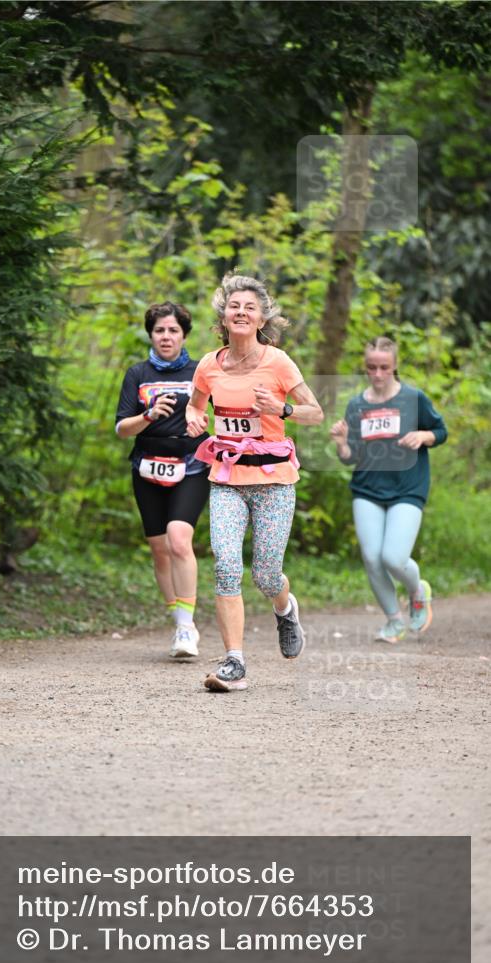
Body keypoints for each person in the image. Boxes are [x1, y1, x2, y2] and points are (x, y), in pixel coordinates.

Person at [185, 273, 324, 692]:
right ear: (223, 316)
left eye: (250, 307)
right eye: (234, 306)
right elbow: (196, 407)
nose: (241, 312)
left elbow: (314, 412)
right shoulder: (209, 364)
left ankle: (285, 610)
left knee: (265, 575)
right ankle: (234, 661)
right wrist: (194, 418)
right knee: (225, 565)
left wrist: (282, 409)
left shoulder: (278, 362)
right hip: (227, 477)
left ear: (262, 317)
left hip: (273, 481)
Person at [330, 336, 447, 643]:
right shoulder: (357, 404)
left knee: (393, 558)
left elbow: (441, 431)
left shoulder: (413, 398)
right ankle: (394, 621)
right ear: (365, 367)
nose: (378, 374)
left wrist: (422, 436)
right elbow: (351, 456)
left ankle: (417, 591)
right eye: (371, 367)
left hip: (408, 486)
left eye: (384, 367)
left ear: (395, 366)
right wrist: (342, 443)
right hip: (367, 488)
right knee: (371, 557)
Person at [115, 302, 210, 658]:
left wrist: (202, 422)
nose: (166, 337)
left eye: (173, 330)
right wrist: (149, 415)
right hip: (147, 466)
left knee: (179, 540)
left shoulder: (201, 369)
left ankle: (187, 628)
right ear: (151, 334)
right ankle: (179, 620)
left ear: (184, 333)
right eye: (159, 330)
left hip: (192, 464)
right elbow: (122, 428)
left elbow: (223, 407)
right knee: (159, 549)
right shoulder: (137, 374)